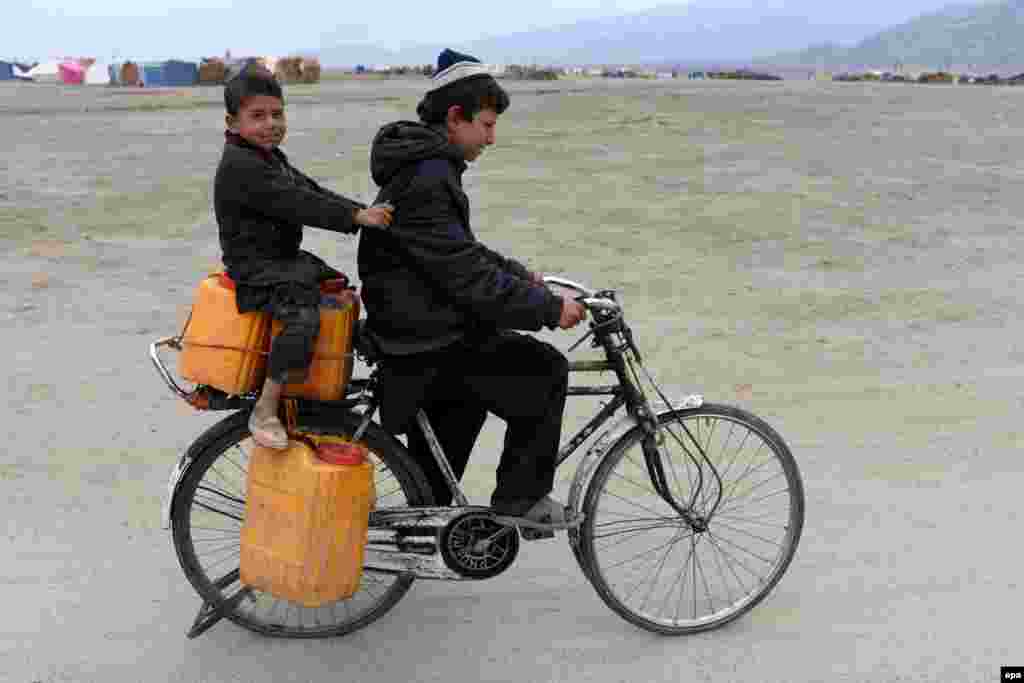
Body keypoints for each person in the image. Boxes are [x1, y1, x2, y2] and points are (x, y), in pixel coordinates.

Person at [357, 49, 587, 529]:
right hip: (424, 340)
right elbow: (468, 279)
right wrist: (547, 309)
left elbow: (456, 251)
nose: (491, 138)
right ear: (455, 117)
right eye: (485, 124)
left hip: (414, 328)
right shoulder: (429, 175)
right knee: (543, 370)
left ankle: (422, 521)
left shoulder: (423, 166)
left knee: (460, 419)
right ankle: (521, 501)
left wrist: (520, 274)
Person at [214, 72, 393, 449]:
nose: (270, 124)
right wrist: (356, 218)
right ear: (232, 123)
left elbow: (309, 190)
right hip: (256, 267)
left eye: (277, 114)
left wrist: (361, 210)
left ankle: (330, 366)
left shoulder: (267, 157)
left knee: (336, 287)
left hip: (280, 258)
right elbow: (297, 203)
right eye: (258, 116)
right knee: (303, 313)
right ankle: (265, 408)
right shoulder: (240, 165)